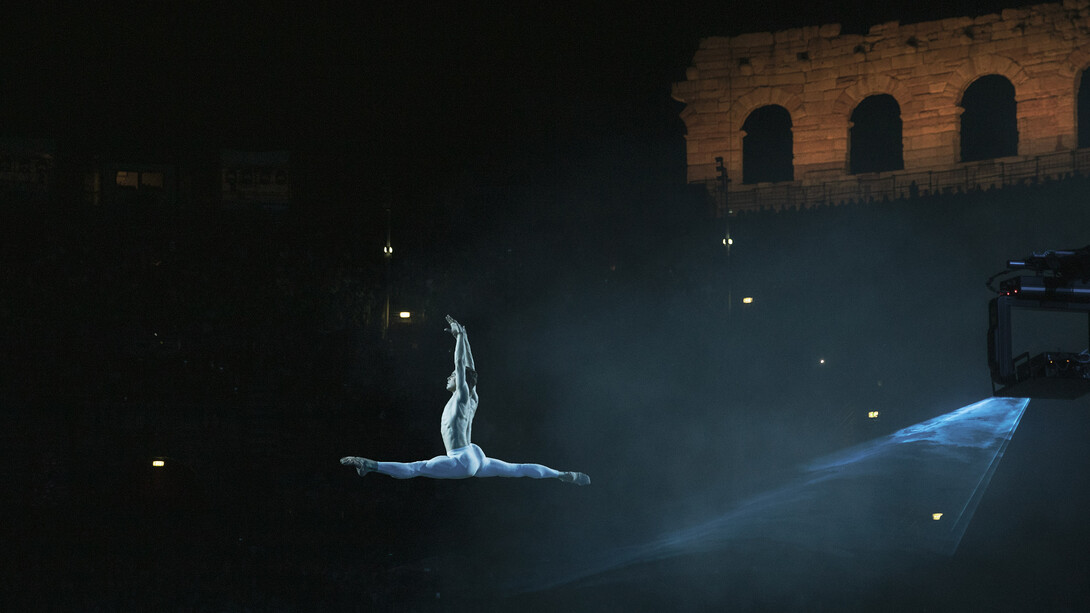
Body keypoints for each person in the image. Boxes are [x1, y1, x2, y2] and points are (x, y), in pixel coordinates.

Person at [341, 315, 590, 485]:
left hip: (461, 459)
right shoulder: (471, 396)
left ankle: (370, 465)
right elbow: (470, 369)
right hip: (474, 453)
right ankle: (561, 474)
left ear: (460, 381)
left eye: (452, 376)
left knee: (417, 468)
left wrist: (459, 337)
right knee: (517, 469)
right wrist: (465, 338)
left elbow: (460, 365)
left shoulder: (461, 397)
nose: (449, 377)